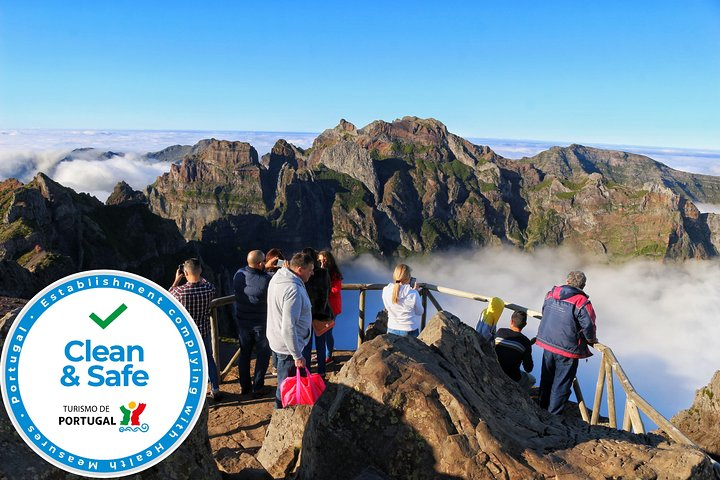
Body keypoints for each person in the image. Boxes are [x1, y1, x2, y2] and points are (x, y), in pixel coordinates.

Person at [536, 271, 598, 414]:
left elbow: (545, 311)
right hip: (567, 349)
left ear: (567, 281)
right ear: (583, 285)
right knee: (561, 384)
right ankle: (553, 417)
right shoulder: (582, 302)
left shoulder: (550, 294)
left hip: (547, 342)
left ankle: (541, 409)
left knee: (546, 378)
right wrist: (591, 340)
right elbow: (588, 325)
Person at [266, 252, 314, 409]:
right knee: (286, 387)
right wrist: (297, 355)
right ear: (299, 269)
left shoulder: (278, 278)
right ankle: (281, 417)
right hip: (288, 348)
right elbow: (288, 327)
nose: (312, 273)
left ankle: (282, 413)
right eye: (310, 270)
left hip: (277, 341)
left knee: (284, 383)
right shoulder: (292, 289)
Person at [169, 258, 220, 399]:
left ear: (185, 272)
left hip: (187, 334)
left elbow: (169, 295)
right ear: (201, 271)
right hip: (203, 331)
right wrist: (198, 275)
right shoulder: (209, 289)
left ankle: (195, 392)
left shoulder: (179, 292)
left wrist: (176, 280)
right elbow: (206, 283)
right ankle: (215, 388)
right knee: (209, 359)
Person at [233, 250, 272, 397]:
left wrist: (264, 266)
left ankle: (244, 386)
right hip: (261, 323)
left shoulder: (238, 274)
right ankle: (258, 387)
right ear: (260, 263)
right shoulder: (267, 280)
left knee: (245, 354)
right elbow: (268, 280)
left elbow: (252, 276)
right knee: (263, 354)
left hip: (242, 322)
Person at [301, 248, 333, 377]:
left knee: (306, 346)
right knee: (321, 345)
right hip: (321, 313)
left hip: (306, 314)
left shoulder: (302, 275)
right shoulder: (324, 273)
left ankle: (307, 373)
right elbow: (329, 291)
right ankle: (321, 372)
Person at [494, 311, 535, 391]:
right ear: (525, 324)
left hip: (494, 369)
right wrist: (528, 347)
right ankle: (517, 396)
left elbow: (510, 345)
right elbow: (528, 368)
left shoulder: (500, 331)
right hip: (511, 377)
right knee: (532, 380)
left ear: (511, 321)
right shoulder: (525, 342)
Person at [381, 264, 424, 337]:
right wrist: (415, 292)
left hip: (392, 329)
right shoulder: (413, 293)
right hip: (410, 330)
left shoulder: (386, 290)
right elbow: (420, 312)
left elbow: (387, 307)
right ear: (409, 278)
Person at [318, 250, 342, 364]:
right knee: (322, 331)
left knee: (327, 332)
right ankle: (323, 354)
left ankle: (328, 356)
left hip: (331, 307)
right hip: (322, 307)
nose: (322, 262)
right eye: (320, 260)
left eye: (324, 260)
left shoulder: (334, 273)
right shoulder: (319, 271)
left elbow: (336, 289)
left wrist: (323, 291)